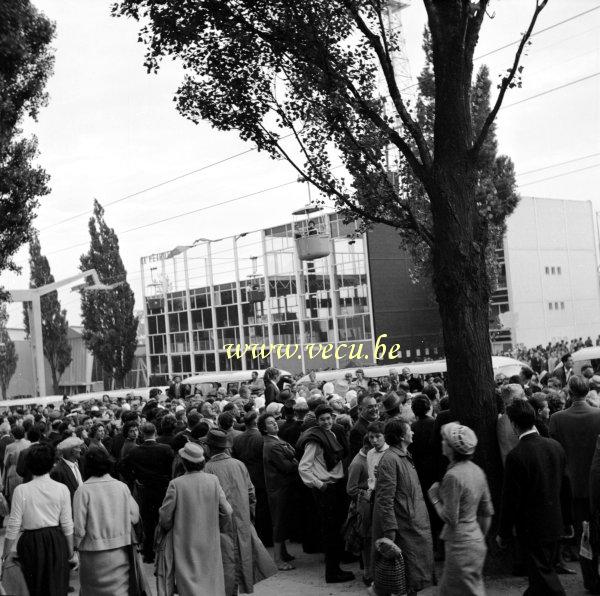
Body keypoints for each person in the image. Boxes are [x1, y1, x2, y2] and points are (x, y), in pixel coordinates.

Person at [498, 400, 572, 596]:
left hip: (531, 528)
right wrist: (568, 520)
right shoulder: (555, 447)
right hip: (555, 522)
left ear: (514, 424)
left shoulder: (516, 456)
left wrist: (503, 532)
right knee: (541, 574)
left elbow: (510, 499)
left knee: (543, 575)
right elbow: (565, 487)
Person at [205, 429, 277, 595]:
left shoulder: (207, 469)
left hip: (221, 524)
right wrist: (248, 515)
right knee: (241, 559)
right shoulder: (239, 464)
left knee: (226, 564)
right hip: (242, 520)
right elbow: (251, 493)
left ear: (209, 448)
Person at [427, 423, 493, 595]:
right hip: (476, 541)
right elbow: (486, 512)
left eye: (445, 441)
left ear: (452, 448)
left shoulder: (452, 476)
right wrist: (479, 536)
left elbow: (450, 517)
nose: (442, 443)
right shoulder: (477, 471)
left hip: (459, 545)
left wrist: (434, 497)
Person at [159, 442, 232, 596]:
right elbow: (227, 510)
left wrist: (170, 527)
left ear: (184, 463)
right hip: (210, 539)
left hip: (184, 541)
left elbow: (165, 517)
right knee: (211, 581)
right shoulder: (213, 480)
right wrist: (217, 525)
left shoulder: (176, 484)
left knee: (189, 583)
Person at [2, 443, 73, 596]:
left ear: (29, 465)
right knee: (56, 586)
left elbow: (13, 525)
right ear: (52, 464)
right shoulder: (62, 489)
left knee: (33, 587)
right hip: (56, 540)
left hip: (30, 542)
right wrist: (71, 552)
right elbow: (67, 524)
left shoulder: (22, 490)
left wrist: (5, 554)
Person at [371, 418, 433, 595]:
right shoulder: (391, 459)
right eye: (409, 430)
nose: (412, 432)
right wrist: (390, 529)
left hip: (411, 524)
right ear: (400, 436)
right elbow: (385, 499)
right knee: (405, 579)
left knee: (411, 578)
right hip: (403, 527)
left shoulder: (402, 456)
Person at [549, 374, 600, 590]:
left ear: (569, 392)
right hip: (596, 482)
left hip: (572, 484)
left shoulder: (557, 419)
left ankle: (589, 578)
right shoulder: (599, 415)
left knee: (583, 535)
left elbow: (555, 453)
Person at [297, 404, 355, 584]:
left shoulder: (331, 433)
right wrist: (319, 484)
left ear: (333, 417)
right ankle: (332, 572)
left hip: (335, 486)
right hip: (327, 488)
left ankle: (335, 569)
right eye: (322, 419)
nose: (326, 422)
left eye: (329, 418)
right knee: (331, 532)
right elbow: (303, 467)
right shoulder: (315, 439)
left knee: (336, 530)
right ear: (317, 420)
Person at [73, 447, 140, 596]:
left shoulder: (83, 491)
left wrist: (73, 548)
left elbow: (79, 529)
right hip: (120, 552)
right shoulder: (121, 487)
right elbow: (134, 516)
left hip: (92, 555)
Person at [119, 422, 174, 563]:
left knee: (148, 521)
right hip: (163, 488)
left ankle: (149, 553)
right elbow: (170, 469)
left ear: (142, 434)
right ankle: (165, 550)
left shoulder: (135, 451)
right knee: (164, 518)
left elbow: (121, 466)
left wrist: (134, 477)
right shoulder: (165, 449)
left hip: (146, 489)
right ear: (155, 431)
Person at [259, 413, 298, 570]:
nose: (274, 424)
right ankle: (277, 560)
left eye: (274, 422)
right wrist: (295, 461)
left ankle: (283, 553)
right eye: (270, 423)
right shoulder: (272, 445)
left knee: (282, 520)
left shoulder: (276, 440)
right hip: (279, 488)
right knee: (279, 522)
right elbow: (288, 466)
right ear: (264, 428)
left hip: (281, 487)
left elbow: (291, 454)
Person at [231, 410, 273, 547]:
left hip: (245, 478)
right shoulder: (262, 437)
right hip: (261, 478)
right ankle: (265, 537)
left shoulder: (237, 439)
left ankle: (254, 536)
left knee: (251, 508)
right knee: (263, 509)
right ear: (256, 422)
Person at [51, 436, 85, 503]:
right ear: (72, 451)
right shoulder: (58, 471)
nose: (80, 450)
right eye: (78, 447)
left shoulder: (77, 465)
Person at [3, 424, 31, 504]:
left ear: (13, 434)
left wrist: (3, 480)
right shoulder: (28, 443)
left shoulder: (9, 447)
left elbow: (6, 463)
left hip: (14, 471)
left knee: (14, 497)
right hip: (26, 470)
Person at [349, 394, 380, 459]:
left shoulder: (376, 423)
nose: (375, 409)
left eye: (375, 406)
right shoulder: (357, 430)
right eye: (370, 407)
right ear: (360, 408)